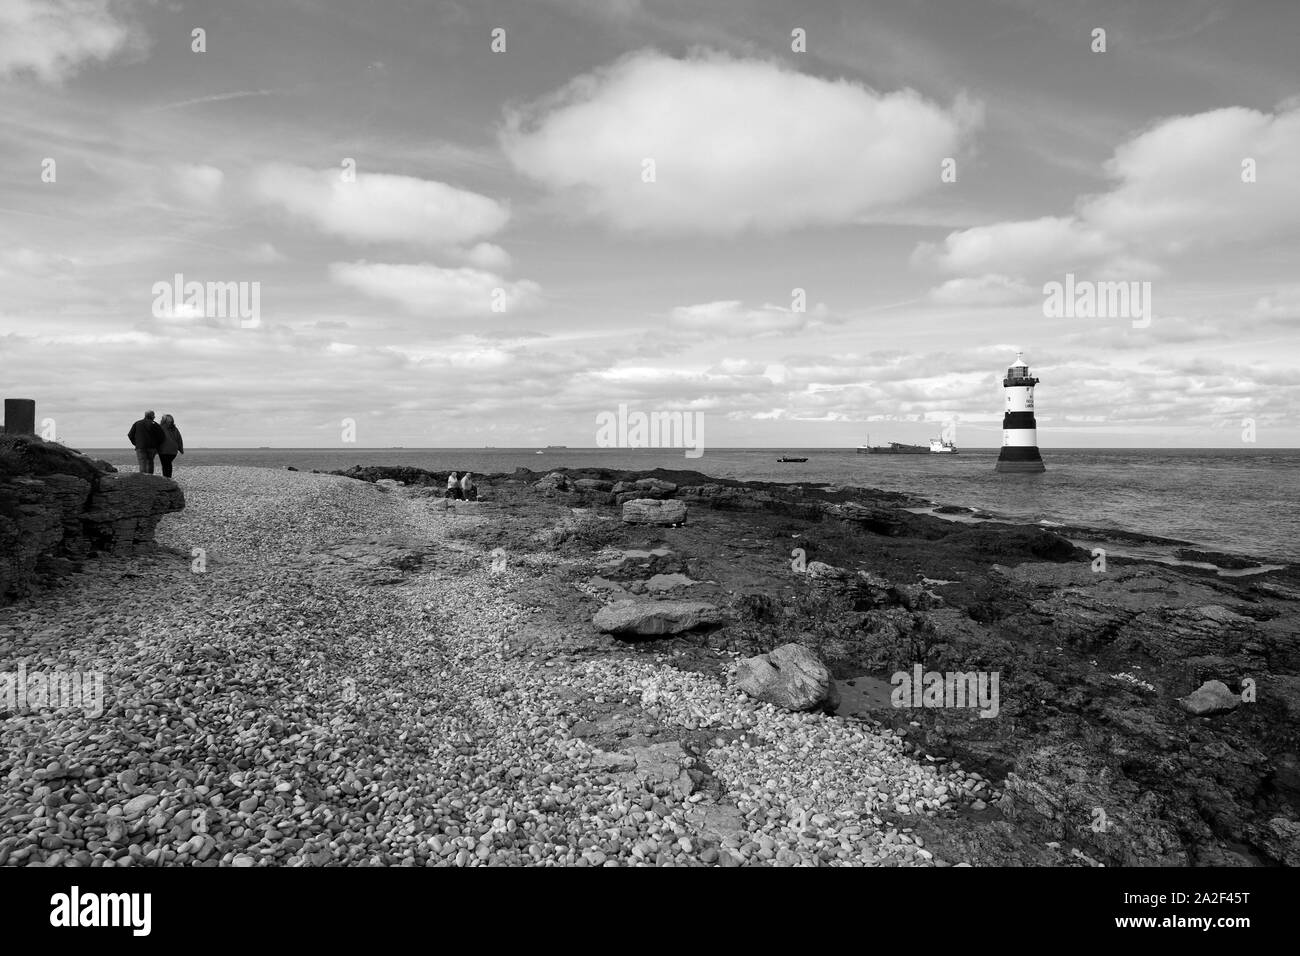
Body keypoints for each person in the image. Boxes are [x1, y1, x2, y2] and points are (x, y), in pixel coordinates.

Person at [158, 414, 184, 478]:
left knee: (165, 465)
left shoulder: (160, 427)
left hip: (163, 450)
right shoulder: (175, 429)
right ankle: (168, 478)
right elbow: (179, 439)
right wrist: (181, 449)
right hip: (173, 450)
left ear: (163, 420)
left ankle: (166, 480)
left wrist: (154, 449)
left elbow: (156, 438)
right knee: (168, 464)